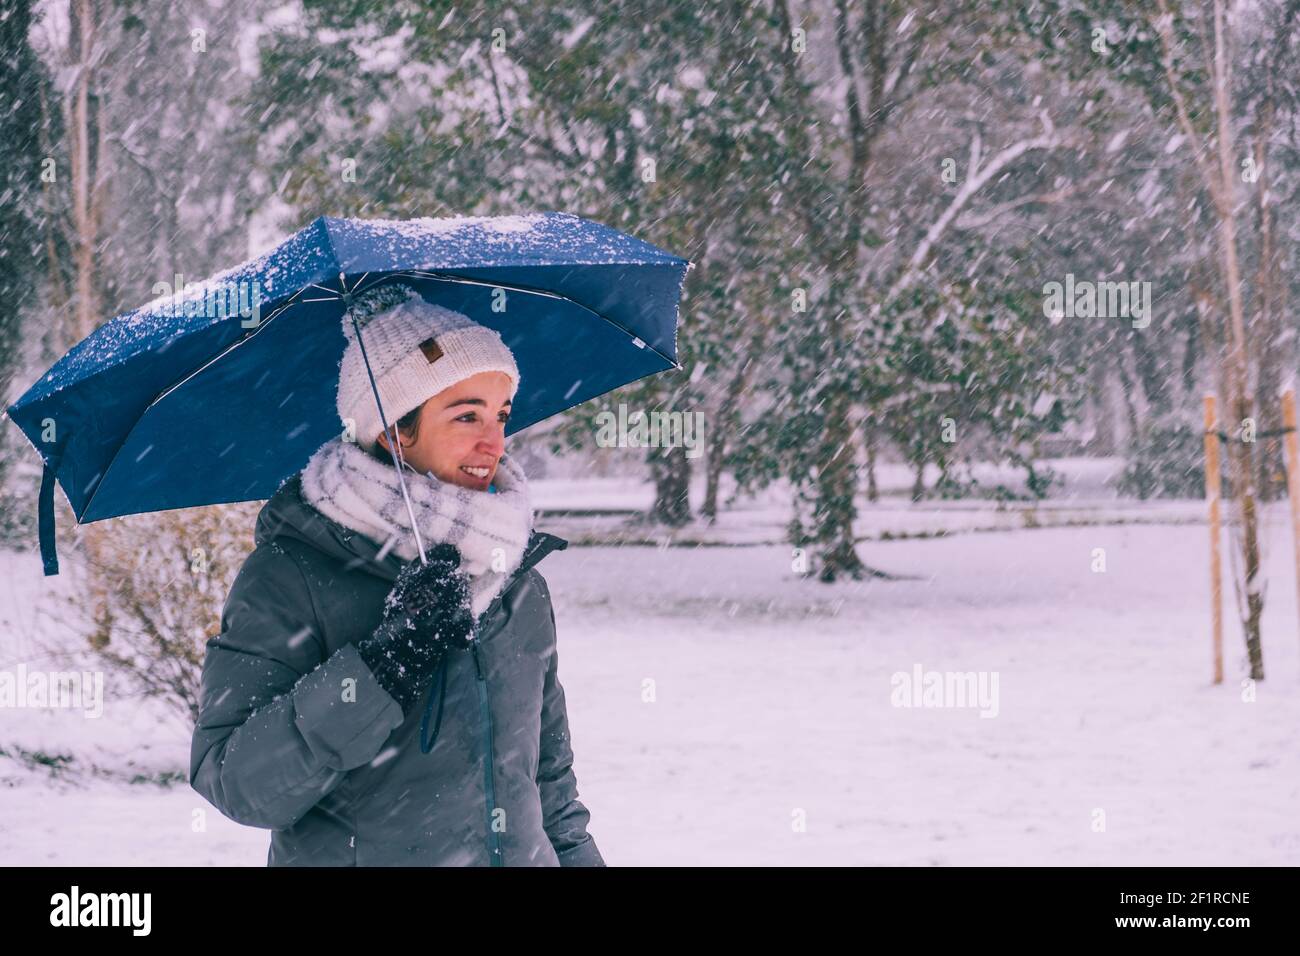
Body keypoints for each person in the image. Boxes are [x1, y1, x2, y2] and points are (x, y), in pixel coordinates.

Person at [189, 281, 604, 866]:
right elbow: (234, 781)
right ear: (393, 432)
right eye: (466, 416)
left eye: (501, 415)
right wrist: (383, 668)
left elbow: (550, 785)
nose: (495, 442)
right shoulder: (292, 574)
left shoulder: (516, 580)